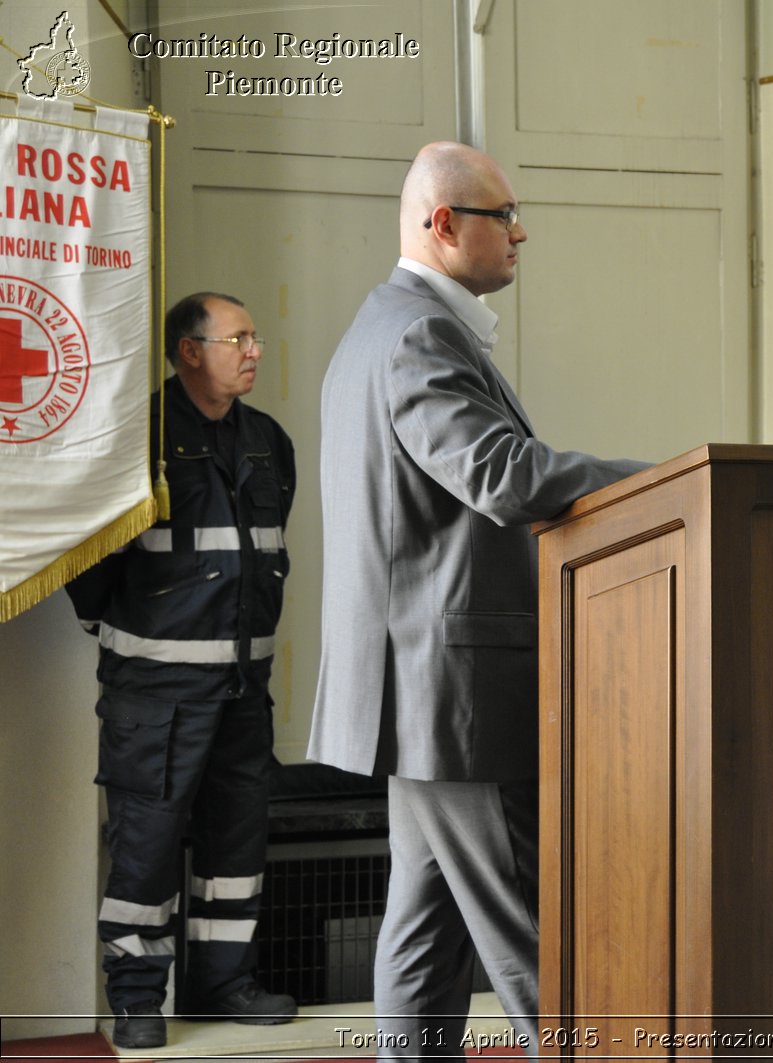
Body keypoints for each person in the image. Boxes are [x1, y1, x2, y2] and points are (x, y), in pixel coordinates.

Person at [308, 141, 647, 1059]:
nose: (520, 231)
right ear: (444, 223)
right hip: (452, 691)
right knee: (537, 933)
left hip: (416, 687)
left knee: (425, 930)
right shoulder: (419, 333)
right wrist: (667, 480)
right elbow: (497, 474)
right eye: (504, 215)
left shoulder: (378, 328)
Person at [66, 292, 298, 1050]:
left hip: (243, 691)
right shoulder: (137, 437)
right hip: (156, 695)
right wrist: (126, 631)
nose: (255, 349)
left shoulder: (268, 440)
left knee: (236, 844)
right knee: (146, 843)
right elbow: (90, 558)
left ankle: (223, 984)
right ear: (189, 350)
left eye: (255, 336)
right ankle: (137, 998)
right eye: (239, 337)